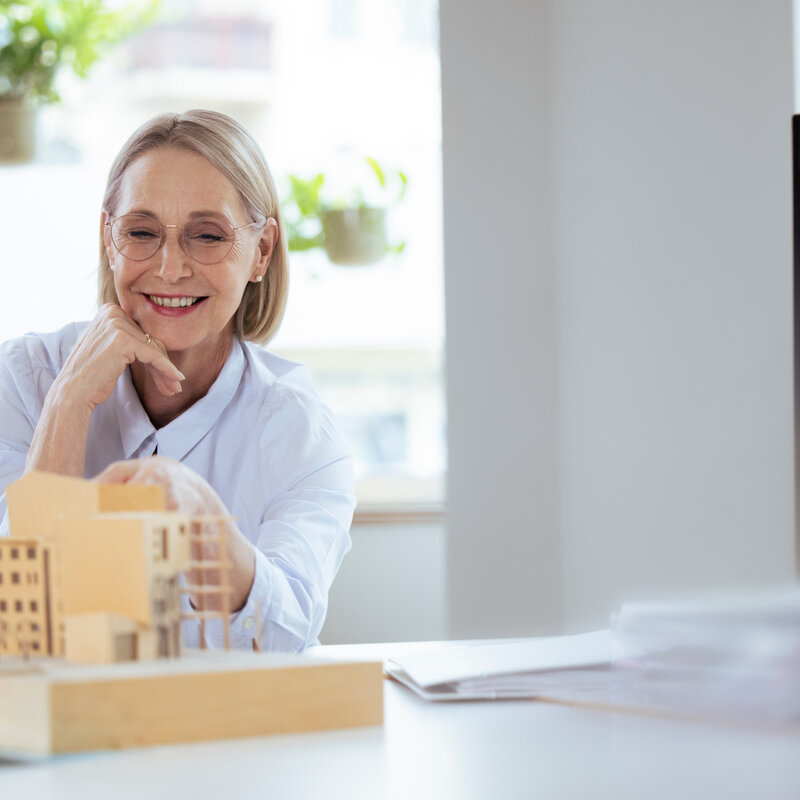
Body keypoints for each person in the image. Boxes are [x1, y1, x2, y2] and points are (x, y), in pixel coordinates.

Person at [0, 110, 355, 652]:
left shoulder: (298, 430)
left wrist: (207, 526)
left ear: (261, 252)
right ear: (108, 238)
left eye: (207, 235)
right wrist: (68, 402)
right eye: (141, 232)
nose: (169, 268)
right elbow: (20, 627)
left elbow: (286, 636)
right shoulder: (26, 379)